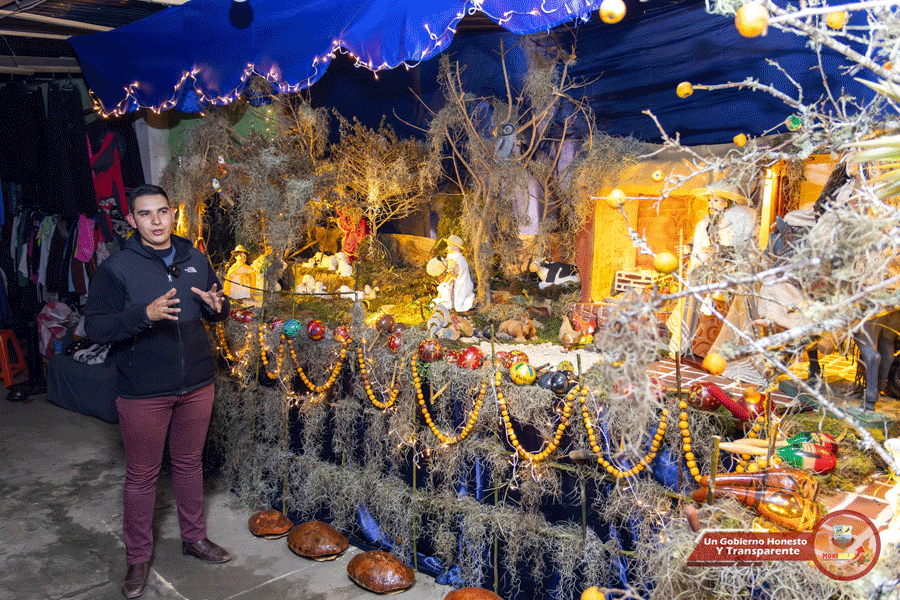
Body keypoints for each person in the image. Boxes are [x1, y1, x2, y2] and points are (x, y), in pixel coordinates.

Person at [84, 184, 232, 599]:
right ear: (132, 220)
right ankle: (137, 558)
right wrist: (144, 314)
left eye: (162, 212)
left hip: (197, 384)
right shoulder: (117, 268)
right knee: (142, 476)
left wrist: (218, 308)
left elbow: (215, 305)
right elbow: (94, 327)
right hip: (144, 390)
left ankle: (194, 538)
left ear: (172, 214)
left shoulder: (194, 258)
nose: (156, 221)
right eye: (145, 214)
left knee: (188, 464)